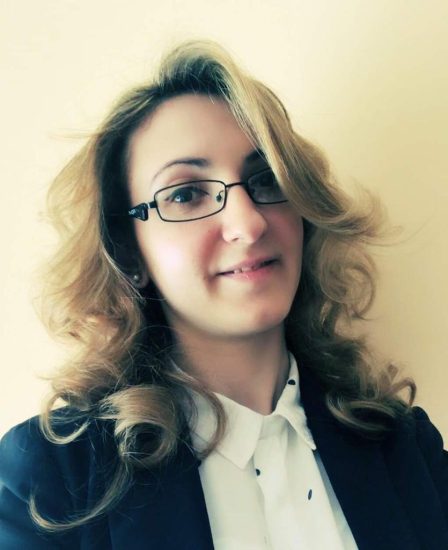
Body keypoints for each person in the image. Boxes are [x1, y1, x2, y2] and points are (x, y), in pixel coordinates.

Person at [0, 40, 447, 550]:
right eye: (185, 194)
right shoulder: (51, 480)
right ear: (129, 253)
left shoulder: (405, 447)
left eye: (265, 179)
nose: (248, 223)